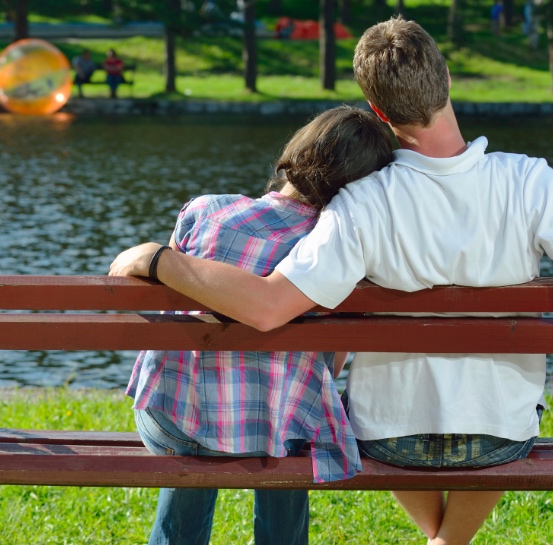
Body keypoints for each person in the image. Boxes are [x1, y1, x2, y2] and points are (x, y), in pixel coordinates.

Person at [110, 16, 553, 545]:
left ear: (377, 109)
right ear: (446, 81)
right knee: (508, 409)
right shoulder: (529, 181)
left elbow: (268, 307)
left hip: (388, 440)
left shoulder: (361, 200)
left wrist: (162, 260)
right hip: (498, 438)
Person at [127, 106, 394, 545]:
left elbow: (172, 313)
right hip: (282, 432)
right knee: (294, 412)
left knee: (194, 414)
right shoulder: (338, 253)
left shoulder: (204, 212)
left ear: (297, 151)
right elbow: (334, 366)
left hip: (176, 420)